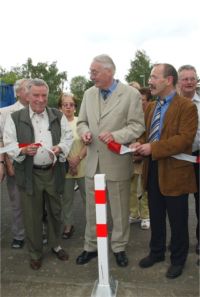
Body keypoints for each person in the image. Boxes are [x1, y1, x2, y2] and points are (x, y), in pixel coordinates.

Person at [76, 54, 145, 267]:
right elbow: (81, 122)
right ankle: (91, 246)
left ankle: (119, 247)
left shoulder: (131, 94)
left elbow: (137, 126)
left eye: (94, 72)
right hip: (92, 164)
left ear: (110, 71)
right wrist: (85, 132)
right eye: (91, 71)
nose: (91, 76)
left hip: (117, 162)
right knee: (92, 210)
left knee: (119, 210)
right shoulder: (88, 94)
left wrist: (116, 135)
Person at [130, 63, 198, 278]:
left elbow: (185, 139)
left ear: (168, 80)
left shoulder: (187, 107)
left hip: (176, 171)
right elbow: (146, 133)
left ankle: (178, 260)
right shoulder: (151, 106)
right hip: (153, 169)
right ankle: (157, 252)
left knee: (178, 220)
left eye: (153, 76)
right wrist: (138, 145)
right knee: (156, 215)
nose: (149, 81)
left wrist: (153, 148)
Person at [3, 78, 73, 270]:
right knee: (32, 216)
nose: (40, 99)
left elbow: (68, 137)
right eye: (36, 95)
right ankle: (35, 253)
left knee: (55, 212)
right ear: (28, 95)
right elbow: (9, 143)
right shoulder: (15, 117)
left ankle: (56, 245)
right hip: (29, 173)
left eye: (44, 95)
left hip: (52, 172)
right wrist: (22, 151)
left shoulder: (57, 115)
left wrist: (60, 147)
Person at [0, 78, 31, 249]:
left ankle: (39, 232)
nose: (31, 89)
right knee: (17, 203)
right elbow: (1, 140)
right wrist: (6, 163)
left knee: (38, 202)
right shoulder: (5, 113)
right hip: (15, 165)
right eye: (28, 87)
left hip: (36, 165)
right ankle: (19, 235)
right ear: (18, 92)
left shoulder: (40, 110)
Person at [177, 65, 200, 265]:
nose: (190, 82)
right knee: (178, 205)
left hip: (199, 157)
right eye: (185, 79)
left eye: (193, 78)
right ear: (178, 82)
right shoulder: (171, 104)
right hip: (178, 159)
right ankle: (178, 241)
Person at [58, 93, 86, 239]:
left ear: (75, 107)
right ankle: (68, 225)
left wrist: (77, 159)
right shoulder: (57, 124)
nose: (68, 107)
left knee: (88, 197)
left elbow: (89, 143)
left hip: (83, 164)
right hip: (65, 167)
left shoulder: (81, 122)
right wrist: (70, 161)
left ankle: (92, 225)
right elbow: (57, 145)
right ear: (60, 107)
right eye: (65, 105)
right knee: (67, 198)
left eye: (71, 104)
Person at [129, 87, 152, 229]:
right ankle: (134, 214)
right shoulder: (131, 114)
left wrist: (142, 151)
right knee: (131, 187)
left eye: (142, 100)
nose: (140, 103)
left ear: (149, 101)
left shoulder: (151, 115)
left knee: (144, 188)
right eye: (138, 100)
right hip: (131, 157)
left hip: (146, 158)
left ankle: (145, 216)